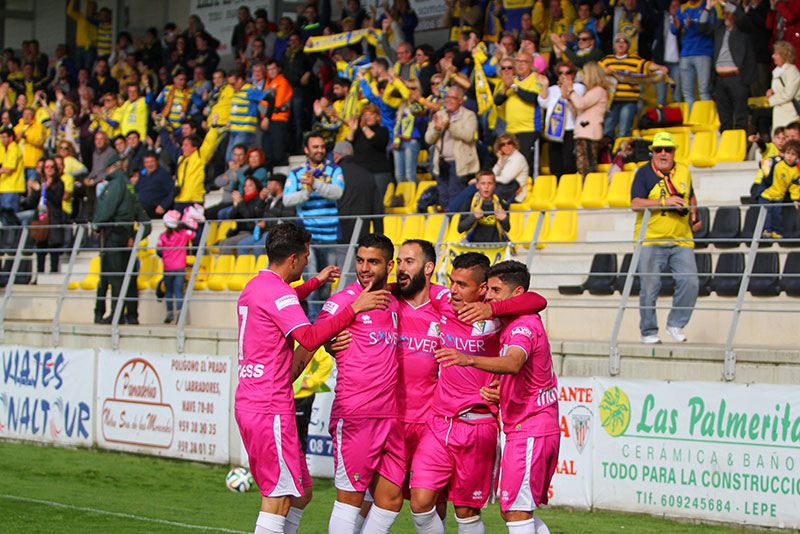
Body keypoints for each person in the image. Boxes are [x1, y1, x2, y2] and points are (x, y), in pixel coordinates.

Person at [235, 222, 390, 534]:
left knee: (301, 493)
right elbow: (308, 338)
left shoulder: (256, 286)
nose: (308, 262)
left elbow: (285, 298)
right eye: (305, 256)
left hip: (251, 400)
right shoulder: (280, 295)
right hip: (269, 406)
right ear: (293, 259)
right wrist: (353, 308)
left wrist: (315, 283)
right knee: (278, 498)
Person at [408, 252, 547, 534]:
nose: (453, 290)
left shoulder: (503, 314)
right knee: (420, 502)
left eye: (461, 284)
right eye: (451, 282)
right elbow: (406, 287)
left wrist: (492, 311)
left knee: (467, 510)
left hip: (478, 424)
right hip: (439, 422)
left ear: (482, 289)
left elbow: (538, 301)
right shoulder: (444, 302)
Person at [314, 233, 406, 534]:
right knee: (350, 499)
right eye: (361, 261)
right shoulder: (344, 300)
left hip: (390, 416)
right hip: (356, 413)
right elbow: (315, 336)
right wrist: (331, 339)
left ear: (389, 265)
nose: (365, 268)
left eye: (373, 262)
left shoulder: (393, 301)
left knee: (392, 499)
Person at [630, 132, 702, 344]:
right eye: (659, 150)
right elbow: (635, 203)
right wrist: (663, 202)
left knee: (691, 282)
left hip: (681, 238)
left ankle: (676, 323)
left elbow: (691, 195)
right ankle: (648, 330)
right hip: (651, 239)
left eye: (668, 150)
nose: (663, 154)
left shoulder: (684, 172)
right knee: (650, 287)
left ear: (673, 153)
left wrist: (695, 214)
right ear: (652, 152)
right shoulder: (643, 173)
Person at [283, 132, 345, 321]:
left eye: (322, 147)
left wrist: (315, 184)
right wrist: (306, 192)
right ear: (306, 150)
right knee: (312, 280)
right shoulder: (295, 173)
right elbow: (287, 200)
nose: (319, 150)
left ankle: (324, 321)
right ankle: (311, 322)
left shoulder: (334, 170)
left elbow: (338, 193)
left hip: (329, 235)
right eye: (315, 147)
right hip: (307, 237)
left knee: (327, 283)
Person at [93, 154, 151, 325]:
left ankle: (116, 315)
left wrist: (96, 225)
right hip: (126, 235)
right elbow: (144, 221)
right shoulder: (129, 186)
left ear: (111, 167)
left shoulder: (115, 184)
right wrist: (135, 237)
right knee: (130, 277)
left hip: (113, 235)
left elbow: (107, 209)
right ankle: (132, 315)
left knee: (114, 277)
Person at [702, 0, 756, 132]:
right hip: (720, 78)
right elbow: (702, 27)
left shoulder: (742, 28)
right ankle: (727, 145)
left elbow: (742, 16)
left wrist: (724, 3)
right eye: (724, 13)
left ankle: (740, 146)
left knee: (740, 116)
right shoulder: (720, 27)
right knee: (724, 117)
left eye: (728, 13)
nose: (725, 15)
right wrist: (708, 8)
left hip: (736, 77)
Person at [600, 33, 667, 139]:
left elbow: (648, 65)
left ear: (628, 45)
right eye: (618, 41)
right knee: (607, 131)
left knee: (623, 131)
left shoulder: (635, 60)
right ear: (614, 44)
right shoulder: (607, 60)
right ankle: (607, 154)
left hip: (629, 101)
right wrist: (603, 70)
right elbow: (595, 70)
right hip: (611, 102)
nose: (621, 44)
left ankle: (621, 154)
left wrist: (660, 67)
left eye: (624, 41)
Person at [426, 86, 480, 211]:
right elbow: (428, 139)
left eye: (453, 98)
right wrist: (437, 129)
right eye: (447, 97)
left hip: (459, 163)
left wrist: (449, 126)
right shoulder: (439, 115)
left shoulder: (469, 115)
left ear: (460, 100)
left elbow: (468, 135)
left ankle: (455, 225)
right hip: (441, 164)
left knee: (456, 198)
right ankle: (446, 225)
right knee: (444, 197)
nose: (449, 100)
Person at [493, 51, 544, 172]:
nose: (520, 65)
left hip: (528, 130)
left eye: (524, 62)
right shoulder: (511, 80)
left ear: (531, 64)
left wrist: (514, 87)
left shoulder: (537, 78)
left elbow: (533, 98)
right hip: (511, 131)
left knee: (527, 164)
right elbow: (497, 100)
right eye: (518, 61)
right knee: (511, 166)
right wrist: (506, 88)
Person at [158, 114, 220, 212]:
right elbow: (168, 144)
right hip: (179, 201)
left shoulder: (200, 157)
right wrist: (162, 128)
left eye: (186, 145)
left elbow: (210, 142)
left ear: (194, 148)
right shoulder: (180, 157)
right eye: (183, 145)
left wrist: (213, 126)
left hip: (195, 201)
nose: (183, 147)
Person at [332, 140, 384, 246]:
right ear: (352, 155)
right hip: (363, 235)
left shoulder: (334, 175)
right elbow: (377, 208)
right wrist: (379, 237)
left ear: (335, 156)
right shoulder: (368, 175)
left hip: (338, 234)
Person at [539, 62, 583, 179]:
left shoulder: (578, 87)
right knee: (555, 162)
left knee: (568, 161)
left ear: (573, 74)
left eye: (568, 72)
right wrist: (544, 86)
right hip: (554, 130)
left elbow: (578, 108)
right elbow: (543, 103)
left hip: (570, 129)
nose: (564, 75)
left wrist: (567, 94)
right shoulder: (552, 89)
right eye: (560, 73)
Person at [566, 61, 609, 178]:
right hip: (582, 132)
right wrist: (569, 98)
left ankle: (592, 189)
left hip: (589, 133)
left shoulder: (599, 90)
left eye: (584, 73)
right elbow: (577, 110)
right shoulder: (590, 92)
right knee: (581, 166)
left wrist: (571, 90)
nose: (582, 76)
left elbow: (581, 104)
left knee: (588, 165)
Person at [237, 174, 295, 257]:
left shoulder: (287, 201)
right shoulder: (269, 199)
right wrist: (261, 199)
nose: (267, 187)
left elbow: (287, 221)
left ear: (278, 186)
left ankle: (261, 269)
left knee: (258, 247)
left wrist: (266, 223)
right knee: (242, 245)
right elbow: (258, 214)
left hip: (277, 233)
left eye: (270, 184)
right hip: (263, 232)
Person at [671, 0, 716, 109]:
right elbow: (674, 30)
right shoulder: (682, 8)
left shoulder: (708, 6)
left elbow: (711, 29)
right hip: (686, 53)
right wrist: (676, 27)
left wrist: (693, 25)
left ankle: (705, 120)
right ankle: (691, 120)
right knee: (687, 93)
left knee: (704, 90)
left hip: (703, 52)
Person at [345, 104, 393, 200]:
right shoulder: (357, 133)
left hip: (378, 173)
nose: (368, 117)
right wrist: (352, 130)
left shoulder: (383, 130)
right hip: (360, 173)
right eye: (365, 115)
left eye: (371, 114)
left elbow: (377, 142)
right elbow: (346, 147)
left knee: (377, 200)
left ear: (377, 116)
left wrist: (364, 128)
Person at [157, 210, 194, 324]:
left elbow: (159, 251)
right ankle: (179, 312)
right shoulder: (182, 234)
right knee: (178, 291)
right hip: (180, 267)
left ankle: (169, 312)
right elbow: (192, 234)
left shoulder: (163, 236)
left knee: (169, 291)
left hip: (168, 267)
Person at [757, 139, 800, 238]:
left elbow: (795, 187)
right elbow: (764, 163)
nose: (789, 156)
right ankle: (766, 230)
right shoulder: (777, 162)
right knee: (767, 213)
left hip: (779, 196)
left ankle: (777, 231)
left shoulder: (795, 171)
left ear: (797, 157)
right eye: (788, 153)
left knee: (777, 214)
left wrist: (795, 199)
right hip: (767, 194)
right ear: (783, 153)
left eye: (793, 154)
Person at [458, 169, 511, 243]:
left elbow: (507, 229)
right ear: (477, 185)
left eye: (490, 183)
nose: (486, 187)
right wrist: (473, 217)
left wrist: (505, 219)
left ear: (494, 185)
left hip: (495, 248)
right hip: (474, 247)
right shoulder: (469, 202)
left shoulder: (501, 203)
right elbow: (460, 228)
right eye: (483, 183)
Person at [262, 60, 293, 171]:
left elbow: (276, 103)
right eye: (269, 69)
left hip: (279, 120)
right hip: (268, 120)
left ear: (278, 69)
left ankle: (283, 180)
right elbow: (263, 101)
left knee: (279, 152)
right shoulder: (268, 82)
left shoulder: (282, 82)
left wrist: (265, 105)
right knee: (268, 154)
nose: (271, 71)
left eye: (273, 68)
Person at [765, 41, 800, 134]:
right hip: (779, 111)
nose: (773, 56)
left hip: (789, 113)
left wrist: (771, 100)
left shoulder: (791, 71)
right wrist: (771, 92)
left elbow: (788, 93)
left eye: (776, 54)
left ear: (784, 55)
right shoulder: (777, 71)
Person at [131, 151, 174, 218]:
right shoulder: (143, 175)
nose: (149, 165)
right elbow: (136, 190)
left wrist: (163, 205)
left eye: (151, 162)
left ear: (157, 162)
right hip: (142, 211)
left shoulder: (163, 174)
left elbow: (172, 192)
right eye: (147, 162)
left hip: (156, 212)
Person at [492, 133, 529, 203]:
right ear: (499, 148)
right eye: (503, 144)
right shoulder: (504, 158)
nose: (506, 146)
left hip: (516, 193)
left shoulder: (518, 158)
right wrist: (499, 160)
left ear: (514, 144)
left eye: (509, 143)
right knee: (478, 188)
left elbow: (505, 179)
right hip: (504, 190)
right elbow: (493, 174)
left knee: (486, 190)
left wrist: (487, 180)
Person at [0, 127, 25, 215]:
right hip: (6, 187)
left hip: (12, 187)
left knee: (10, 216)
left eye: (4, 137)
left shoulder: (14, 149)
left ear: (11, 137)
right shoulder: (7, 149)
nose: (2, 140)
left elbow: (9, 169)